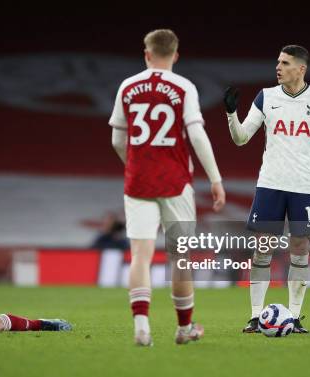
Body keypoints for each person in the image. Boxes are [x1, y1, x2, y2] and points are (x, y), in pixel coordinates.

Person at [223, 45, 310, 333]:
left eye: (285, 63)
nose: (278, 67)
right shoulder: (266, 96)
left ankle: (295, 317)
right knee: (263, 250)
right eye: (277, 62)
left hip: (305, 186)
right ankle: (255, 316)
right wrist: (231, 114)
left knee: (300, 249)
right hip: (270, 184)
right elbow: (241, 138)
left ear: (301, 69)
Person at [109, 29, 226, 346]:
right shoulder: (183, 86)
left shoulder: (128, 86)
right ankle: (184, 328)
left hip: (139, 181)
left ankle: (141, 326)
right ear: (175, 55)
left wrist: (134, 164)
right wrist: (215, 178)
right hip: (175, 182)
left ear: (146, 54)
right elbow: (197, 136)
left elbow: (118, 139)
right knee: (181, 258)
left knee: (140, 256)